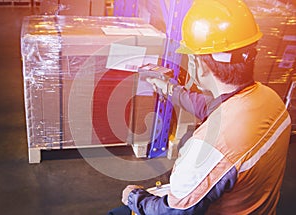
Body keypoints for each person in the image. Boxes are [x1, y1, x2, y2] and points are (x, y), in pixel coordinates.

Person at [108, 0, 291, 214]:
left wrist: (134, 198)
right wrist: (168, 89)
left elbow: (173, 213)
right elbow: (211, 107)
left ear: (199, 65)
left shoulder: (209, 150)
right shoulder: (270, 99)